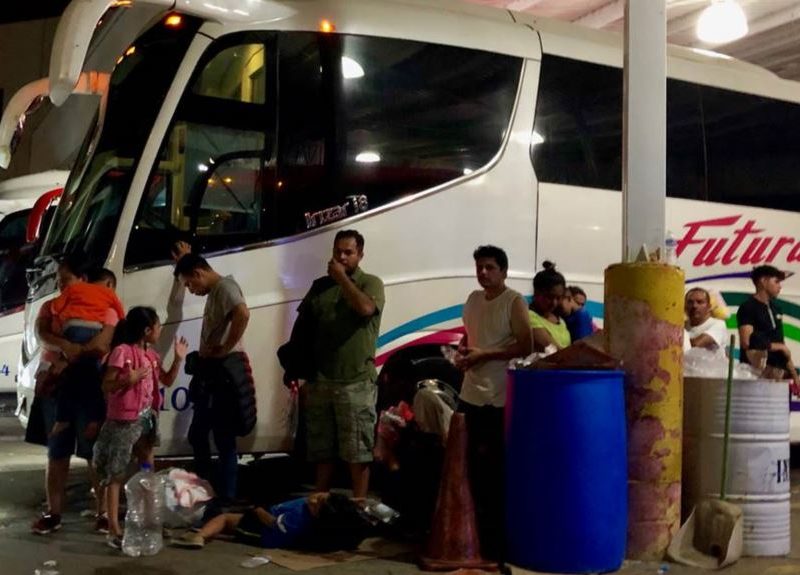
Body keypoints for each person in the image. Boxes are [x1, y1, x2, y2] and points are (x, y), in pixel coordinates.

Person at [283, 230, 384, 500]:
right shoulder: (320, 287)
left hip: (355, 382)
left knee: (356, 452)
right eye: (338, 251)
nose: (341, 257)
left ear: (360, 255)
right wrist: (298, 371)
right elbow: (304, 329)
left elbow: (365, 309)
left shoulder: (370, 283)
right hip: (320, 381)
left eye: (348, 252)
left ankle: (360, 505)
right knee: (321, 450)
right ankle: (319, 501)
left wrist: (342, 279)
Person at [31, 258, 117, 536]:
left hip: (90, 384)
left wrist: (71, 356)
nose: (60, 285)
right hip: (56, 386)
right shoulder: (51, 306)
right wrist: (65, 345)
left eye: (65, 279)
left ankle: (103, 514)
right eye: (58, 280)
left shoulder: (103, 306)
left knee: (94, 451)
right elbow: (41, 333)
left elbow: (104, 342)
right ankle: (53, 512)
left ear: (83, 278)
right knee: (57, 451)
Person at [455, 245, 531, 560]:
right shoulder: (473, 300)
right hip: (469, 394)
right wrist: (463, 352)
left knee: (494, 474)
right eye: (479, 267)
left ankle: (495, 545)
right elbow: (469, 337)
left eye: (490, 267)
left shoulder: (513, 302)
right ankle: (470, 539)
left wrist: (486, 354)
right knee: (468, 469)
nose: (483, 272)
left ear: (503, 271)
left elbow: (525, 344)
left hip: (498, 398)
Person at [93, 306, 188, 548]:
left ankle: (147, 520)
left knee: (147, 469)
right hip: (124, 423)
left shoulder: (152, 356)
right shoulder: (121, 352)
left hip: (146, 422)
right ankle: (113, 528)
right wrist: (129, 378)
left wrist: (178, 359)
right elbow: (107, 384)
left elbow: (166, 380)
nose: (159, 331)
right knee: (116, 473)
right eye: (157, 327)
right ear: (147, 330)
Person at [172, 243, 251, 502]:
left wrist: (224, 347)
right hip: (213, 372)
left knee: (223, 438)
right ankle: (209, 489)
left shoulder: (225, 288)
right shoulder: (217, 290)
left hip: (223, 373)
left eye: (189, 284)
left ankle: (223, 497)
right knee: (201, 434)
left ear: (198, 273)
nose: (191, 290)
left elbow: (243, 313)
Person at [44, 267, 126, 438]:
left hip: (72, 329)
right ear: (110, 284)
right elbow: (119, 310)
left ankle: (62, 419)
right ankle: (94, 420)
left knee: (71, 377)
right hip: (93, 331)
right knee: (93, 379)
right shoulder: (109, 298)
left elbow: (57, 306)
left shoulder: (74, 290)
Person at [172, 492, 368, 552]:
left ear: (317, 516)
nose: (314, 498)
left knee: (226, 519)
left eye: (317, 503)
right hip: (270, 517)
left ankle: (199, 536)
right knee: (230, 520)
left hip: (263, 531)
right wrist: (351, 501)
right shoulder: (323, 512)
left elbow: (271, 523)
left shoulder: (296, 521)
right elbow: (336, 505)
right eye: (320, 496)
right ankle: (209, 531)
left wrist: (257, 510)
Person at [737, 265, 800, 395]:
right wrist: (777, 346)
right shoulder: (748, 307)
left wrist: (795, 377)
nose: (780, 286)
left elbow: (782, 346)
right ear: (763, 281)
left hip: (778, 376)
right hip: (756, 376)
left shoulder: (776, 308)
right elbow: (746, 342)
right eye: (776, 282)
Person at [528, 261, 571, 351]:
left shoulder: (560, 320)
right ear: (537, 293)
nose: (554, 303)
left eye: (558, 298)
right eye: (549, 297)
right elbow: (552, 350)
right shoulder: (530, 317)